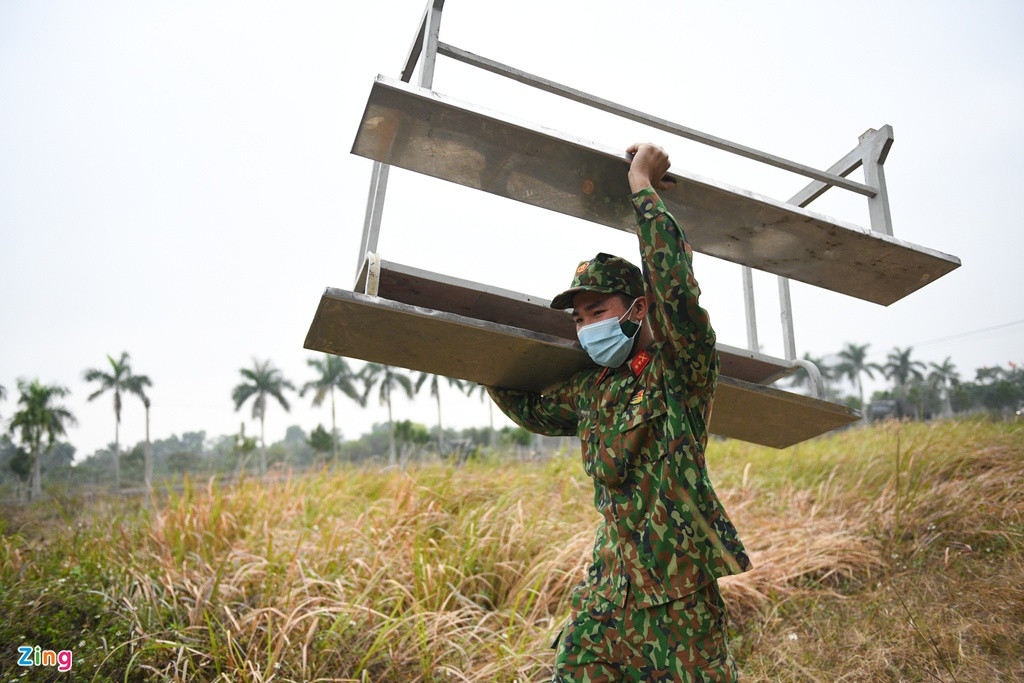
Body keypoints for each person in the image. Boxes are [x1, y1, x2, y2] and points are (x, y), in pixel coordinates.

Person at [487, 143, 751, 681]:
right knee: (575, 668)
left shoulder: (680, 371)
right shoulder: (592, 390)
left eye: (598, 311)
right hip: (611, 587)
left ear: (638, 307)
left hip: (679, 594)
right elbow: (534, 411)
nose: (587, 328)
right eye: (579, 319)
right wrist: (467, 356)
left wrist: (642, 189)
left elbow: (676, 291)